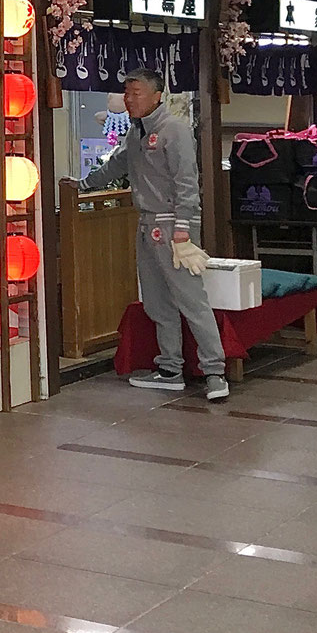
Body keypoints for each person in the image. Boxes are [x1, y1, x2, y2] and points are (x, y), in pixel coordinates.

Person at [83, 69, 228, 401]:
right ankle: (170, 369)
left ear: (157, 95)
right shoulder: (136, 132)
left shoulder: (173, 129)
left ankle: (215, 372)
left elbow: (187, 184)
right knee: (157, 302)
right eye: (126, 93)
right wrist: (80, 185)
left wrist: (183, 232)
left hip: (174, 226)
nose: (129, 99)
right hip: (146, 225)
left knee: (191, 300)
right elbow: (115, 166)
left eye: (136, 92)